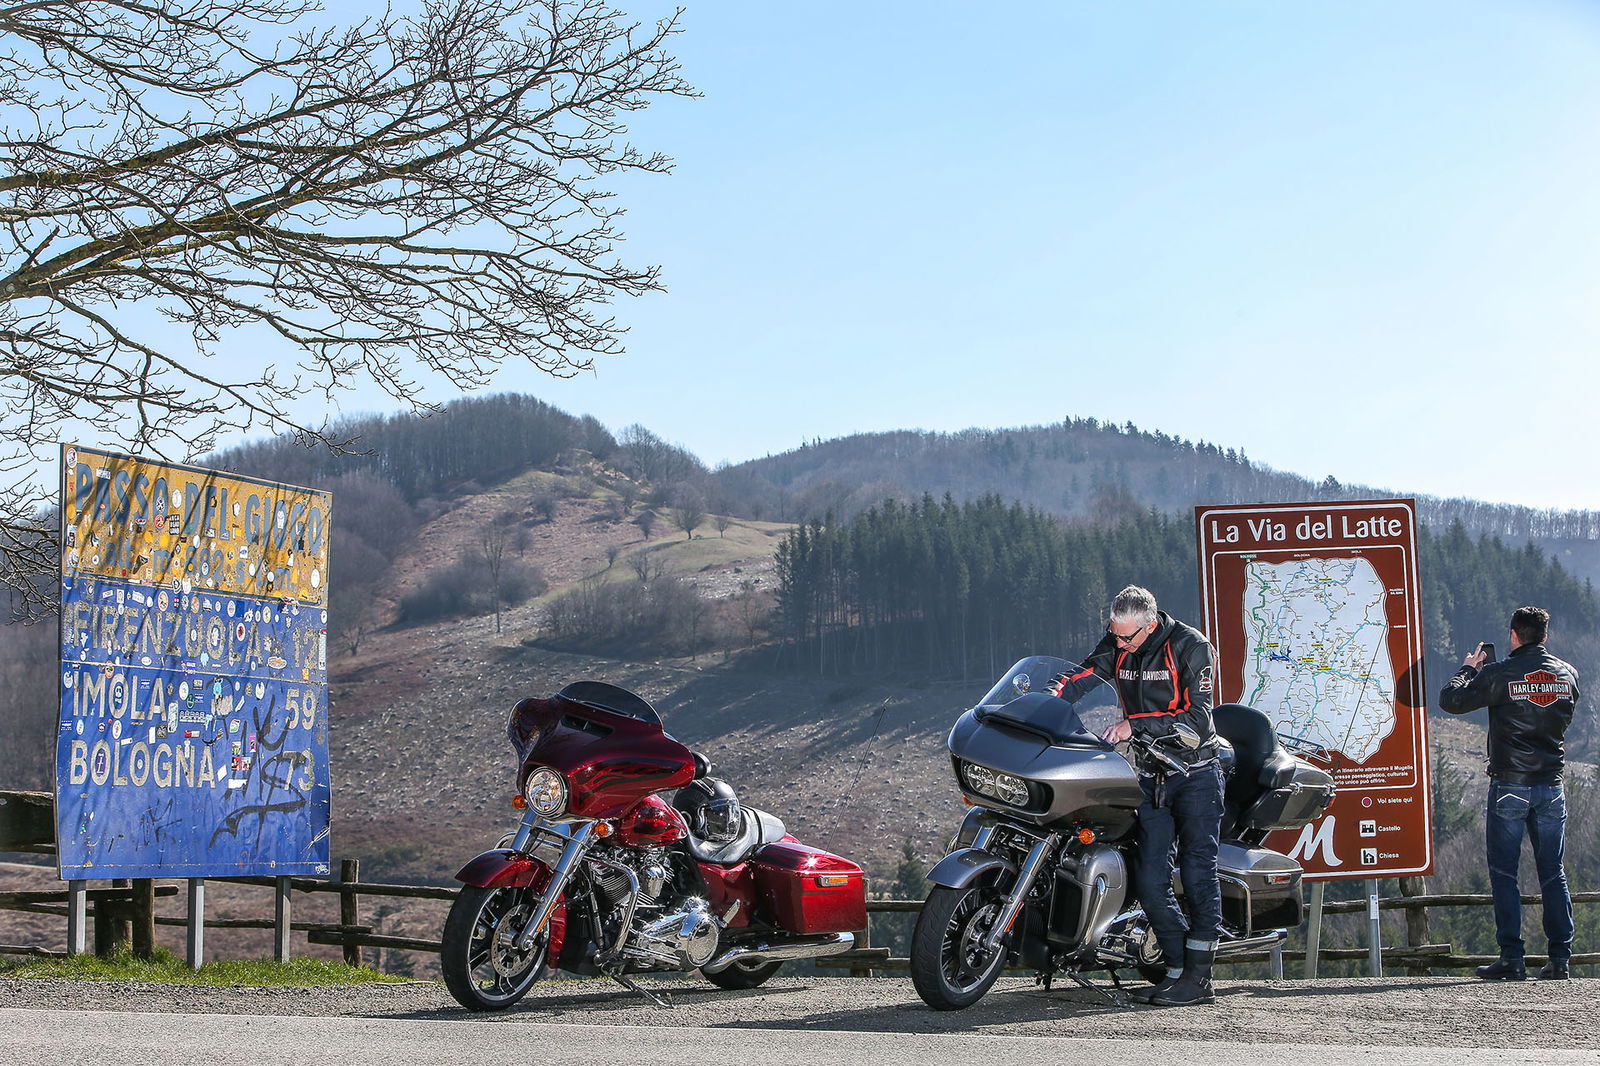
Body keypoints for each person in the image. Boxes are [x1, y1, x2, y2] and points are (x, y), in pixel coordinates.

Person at [1053, 585, 1223, 1006]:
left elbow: (1198, 719)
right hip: (1150, 775)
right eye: (1114, 634)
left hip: (1196, 774)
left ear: (1149, 625)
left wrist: (1136, 725)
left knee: (1198, 873)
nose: (1118, 644)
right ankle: (1177, 969)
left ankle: (1200, 979)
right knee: (1149, 877)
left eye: (1126, 637)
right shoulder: (1119, 640)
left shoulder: (1191, 647)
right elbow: (1083, 677)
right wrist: (1044, 699)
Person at [1438, 605, 1580, 981]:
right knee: (1553, 872)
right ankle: (1560, 958)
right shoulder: (1568, 674)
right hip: (1551, 785)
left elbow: (1450, 701)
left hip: (1510, 785)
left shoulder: (1499, 674)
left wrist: (1470, 668)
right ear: (1545, 636)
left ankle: (1512, 958)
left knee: (1505, 872)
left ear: (1513, 635)